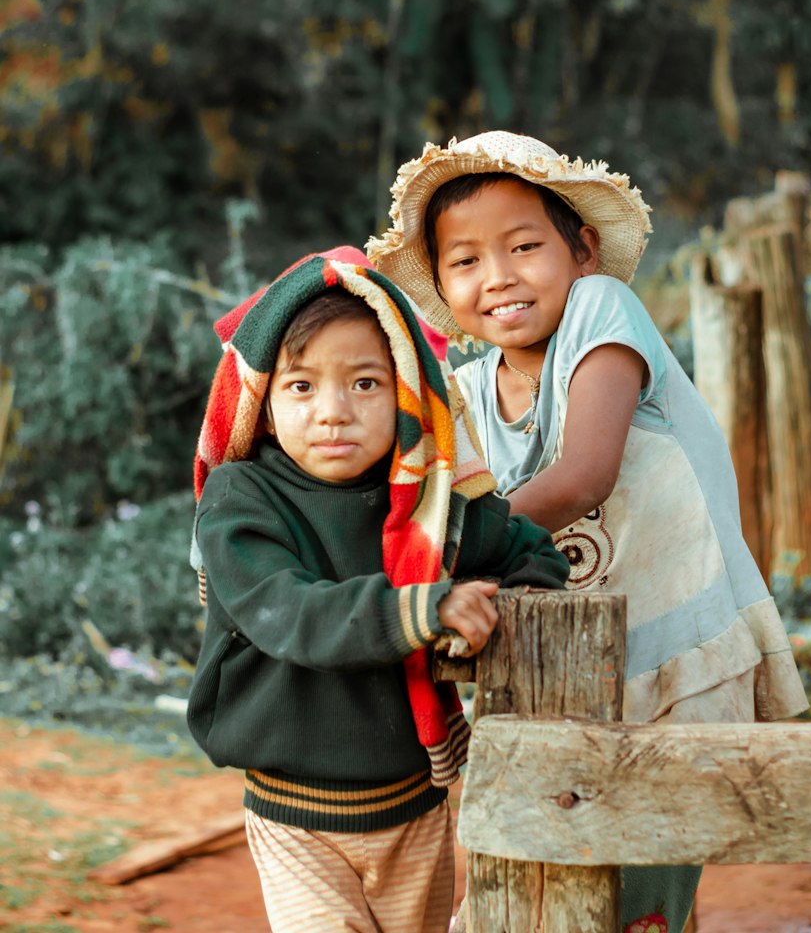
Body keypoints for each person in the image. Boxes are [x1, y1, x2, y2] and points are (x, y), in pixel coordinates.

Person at [368, 132, 809, 932]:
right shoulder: (463, 396)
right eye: (464, 261)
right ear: (440, 283)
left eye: (524, 246)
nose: (497, 276)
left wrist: (437, 552)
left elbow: (584, 476)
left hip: (679, 656)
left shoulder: (605, 313)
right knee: (521, 887)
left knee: (639, 889)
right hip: (550, 682)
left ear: (583, 250)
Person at [186, 245, 570, 933]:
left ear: (408, 398)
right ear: (265, 405)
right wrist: (425, 608)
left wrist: (502, 610)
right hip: (292, 817)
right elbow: (289, 612)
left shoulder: (433, 504)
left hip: (414, 809)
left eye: (364, 384)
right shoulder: (243, 498)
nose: (333, 412)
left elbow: (530, 553)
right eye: (302, 387)